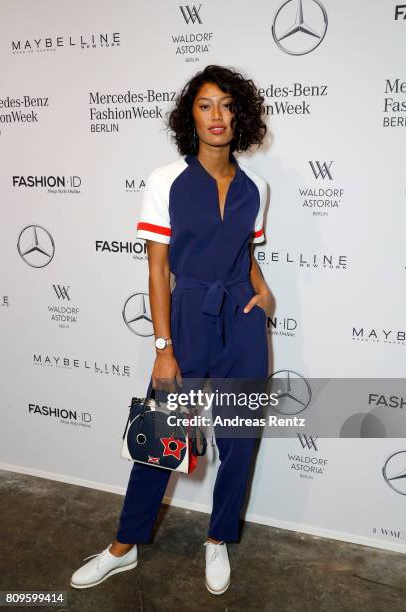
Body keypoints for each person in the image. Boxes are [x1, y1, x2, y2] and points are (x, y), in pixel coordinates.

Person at [70, 64, 270, 596]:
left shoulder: (257, 187)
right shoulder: (166, 180)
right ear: (191, 116)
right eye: (205, 105)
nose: (217, 116)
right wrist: (163, 347)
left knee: (240, 440)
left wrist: (265, 291)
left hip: (243, 322)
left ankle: (217, 539)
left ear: (240, 114)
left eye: (227, 104)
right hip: (185, 318)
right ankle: (124, 545)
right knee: (161, 438)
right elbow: (159, 269)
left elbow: (245, 253)